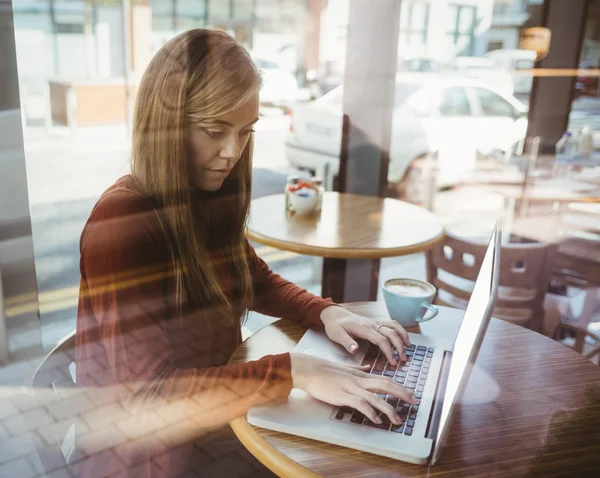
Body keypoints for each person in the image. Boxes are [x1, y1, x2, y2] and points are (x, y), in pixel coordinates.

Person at [75, 29, 416, 478]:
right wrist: (291, 371)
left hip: (216, 423)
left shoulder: (201, 195)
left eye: (245, 132)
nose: (232, 152)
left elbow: (249, 277)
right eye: (215, 131)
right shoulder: (123, 222)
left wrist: (325, 313)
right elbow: (147, 395)